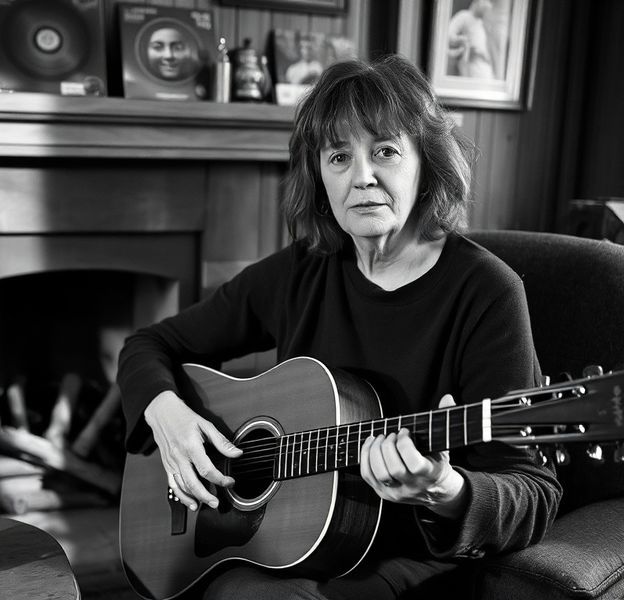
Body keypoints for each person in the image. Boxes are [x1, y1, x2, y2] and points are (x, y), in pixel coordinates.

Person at [117, 55, 561, 599]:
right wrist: (167, 416)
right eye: (338, 156)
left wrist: (442, 489)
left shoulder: (487, 292)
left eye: (386, 151)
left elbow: (533, 491)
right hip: (279, 548)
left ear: (427, 163)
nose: (362, 177)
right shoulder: (303, 270)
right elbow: (149, 344)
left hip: (407, 558)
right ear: (318, 175)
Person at [447, 0, 497, 79]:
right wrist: (464, 45)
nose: (488, 6)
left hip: (486, 73)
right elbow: (448, 35)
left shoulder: (482, 23)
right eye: (486, 1)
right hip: (471, 72)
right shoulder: (464, 16)